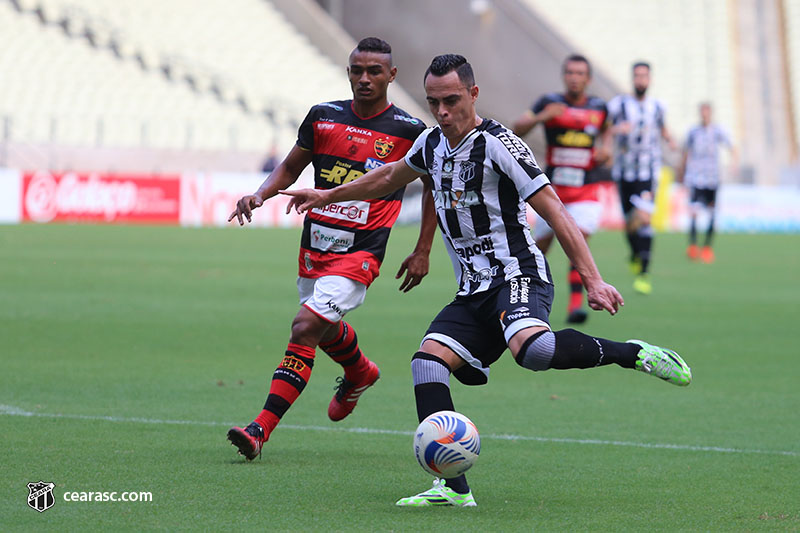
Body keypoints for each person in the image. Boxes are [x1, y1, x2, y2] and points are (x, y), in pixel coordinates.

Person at [282, 54, 692, 507]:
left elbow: (555, 211)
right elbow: (387, 177)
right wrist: (326, 194)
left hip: (518, 273)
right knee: (427, 363)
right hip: (472, 289)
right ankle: (453, 488)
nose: (441, 112)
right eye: (433, 102)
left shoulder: (500, 144)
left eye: (451, 101)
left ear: (473, 95)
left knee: (533, 352)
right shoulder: (431, 144)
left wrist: (592, 279)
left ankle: (631, 353)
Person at [225, 37, 436, 461]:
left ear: (391, 75)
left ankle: (259, 429)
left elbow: (433, 187)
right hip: (316, 245)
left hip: (362, 254)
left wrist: (423, 249)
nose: (364, 78)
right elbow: (289, 166)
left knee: (304, 327)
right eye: (356, 70)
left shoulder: (410, 131)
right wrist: (261, 194)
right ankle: (359, 371)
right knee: (317, 328)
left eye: (374, 71)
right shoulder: (323, 118)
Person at [512, 54, 612, 324]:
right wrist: (544, 116)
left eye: (579, 73)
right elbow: (516, 128)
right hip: (552, 193)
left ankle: (575, 306)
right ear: (563, 76)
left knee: (577, 239)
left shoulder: (599, 107)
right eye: (570, 72)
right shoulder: (548, 103)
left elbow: (607, 130)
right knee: (536, 250)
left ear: (588, 79)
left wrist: (606, 150)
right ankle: (519, 298)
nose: (574, 77)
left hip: (585, 191)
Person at [607, 62, 677, 294]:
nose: (640, 80)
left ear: (650, 79)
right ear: (632, 79)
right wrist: (617, 131)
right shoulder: (618, 105)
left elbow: (663, 128)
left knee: (645, 218)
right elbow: (604, 129)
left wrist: (670, 140)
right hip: (624, 171)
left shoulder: (657, 106)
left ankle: (644, 273)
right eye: (637, 76)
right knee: (630, 222)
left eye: (644, 76)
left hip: (648, 172)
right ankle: (636, 254)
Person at [677, 102, 736, 263]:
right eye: (702, 112)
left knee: (711, 214)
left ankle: (707, 248)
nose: (704, 115)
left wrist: (733, 163)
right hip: (696, 178)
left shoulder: (717, 131)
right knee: (694, 212)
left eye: (706, 112)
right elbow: (685, 152)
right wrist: (681, 171)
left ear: (711, 113)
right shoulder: (693, 132)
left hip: (712, 179)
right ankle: (693, 246)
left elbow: (732, 146)